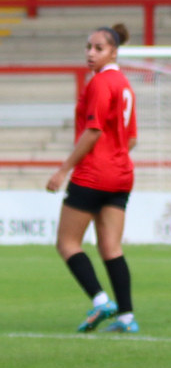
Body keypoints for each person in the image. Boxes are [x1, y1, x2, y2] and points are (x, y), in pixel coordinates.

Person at [45, 23, 140, 334]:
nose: (90, 53)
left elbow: (94, 130)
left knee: (67, 242)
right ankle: (126, 317)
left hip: (93, 174)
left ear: (113, 51)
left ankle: (101, 301)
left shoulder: (100, 83)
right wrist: (114, 157)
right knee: (111, 247)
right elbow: (131, 139)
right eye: (88, 47)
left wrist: (64, 169)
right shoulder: (125, 84)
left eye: (98, 48)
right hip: (122, 175)